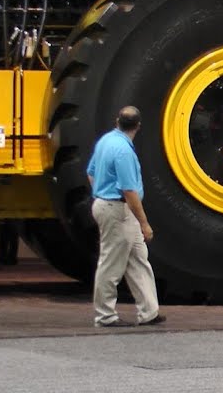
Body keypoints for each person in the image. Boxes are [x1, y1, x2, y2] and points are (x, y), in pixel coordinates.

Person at [88, 106, 164, 327]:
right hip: (119, 210)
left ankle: (149, 312)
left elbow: (91, 173)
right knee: (111, 264)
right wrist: (144, 223)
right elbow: (129, 191)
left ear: (117, 121)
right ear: (138, 126)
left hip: (108, 205)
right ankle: (105, 316)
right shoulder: (124, 151)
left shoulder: (105, 141)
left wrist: (101, 193)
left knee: (138, 259)